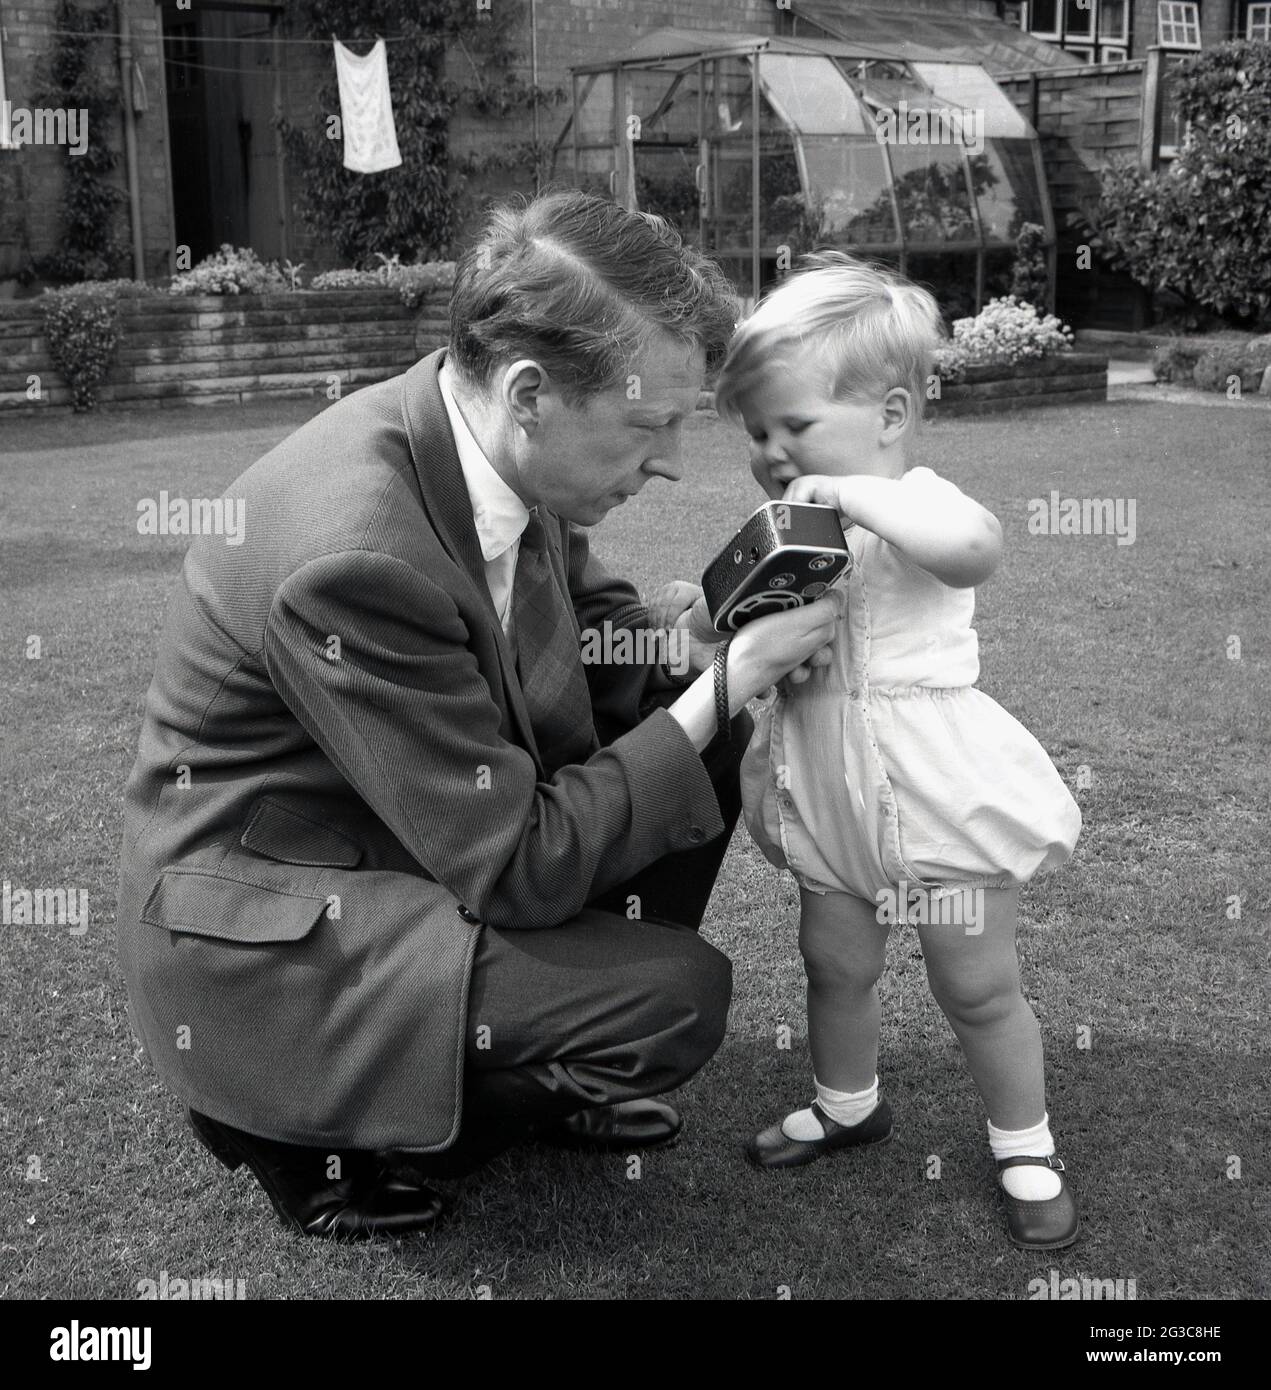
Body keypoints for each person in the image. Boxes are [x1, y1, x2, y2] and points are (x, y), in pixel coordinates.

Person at [115, 190, 841, 1240]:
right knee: (673, 996)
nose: (675, 458)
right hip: (271, 923)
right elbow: (515, 863)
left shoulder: (474, 439)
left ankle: (530, 1053)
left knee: (691, 716)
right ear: (532, 391)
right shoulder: (355, 557)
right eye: (649, 424)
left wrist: (680, 647)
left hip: (395, 831)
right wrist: (722, 688)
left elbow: (582, 616)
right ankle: (293, 1126)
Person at [695, 254, 1083, 1250]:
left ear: (891, 412)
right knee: (832, 963)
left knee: (975, 983)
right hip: (828, 795)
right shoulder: (786, 528)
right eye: (757, 433)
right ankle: (845, 1101)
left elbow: (973, 547)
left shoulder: (915, 500)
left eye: (795, 426)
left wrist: (854, 496)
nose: (774, 452)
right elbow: (720, 621)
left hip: (934, 801)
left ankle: (1023, 1144)